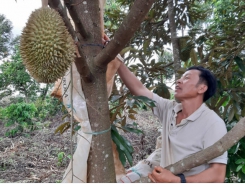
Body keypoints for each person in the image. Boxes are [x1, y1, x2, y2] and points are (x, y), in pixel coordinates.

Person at [117, 63, 227, 183]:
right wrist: (116, 59)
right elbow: (139, 89)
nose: (179, 81)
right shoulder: (169, 109)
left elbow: (218, 175)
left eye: (186, 78)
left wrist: (178, 180)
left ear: (201, 88)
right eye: (181, 77)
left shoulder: (213, 123)